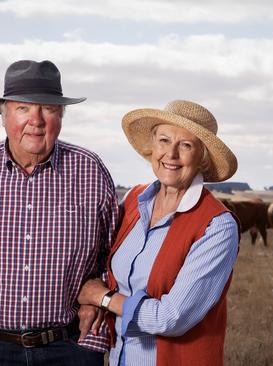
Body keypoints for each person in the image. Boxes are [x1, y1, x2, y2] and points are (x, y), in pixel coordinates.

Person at [0, 60, 118, 365]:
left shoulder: (90, 170)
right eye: (23, 108)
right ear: (4, 116)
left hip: (71, 347)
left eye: (49, 109)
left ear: (61, 117)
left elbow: (113, 256)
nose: (36, 120)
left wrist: (95, 326)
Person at [78, 100, 240, 365]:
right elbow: (102, 261)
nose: (171, 154)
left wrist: (101, 297)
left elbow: (170, 317)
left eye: (186, 145)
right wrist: (90, 301)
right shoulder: (133, 199)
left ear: (202, 158)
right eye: (164, 140)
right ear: (152, 145)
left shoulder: (217, 225)